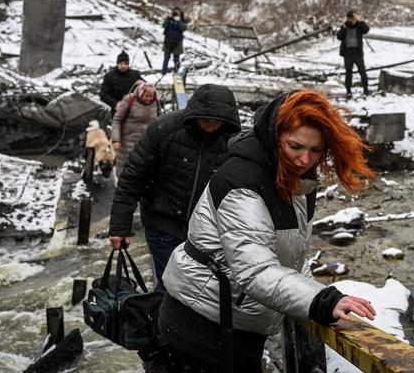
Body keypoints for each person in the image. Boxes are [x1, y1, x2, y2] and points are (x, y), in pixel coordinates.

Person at [159, 89, 377, 372]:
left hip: (236, 322)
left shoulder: (296, 181)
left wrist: (315, 295)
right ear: (275, 137)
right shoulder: (244, 183)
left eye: (315, 150)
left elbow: (291, 261)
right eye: (295, 146)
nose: (305, 159)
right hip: (203, 326)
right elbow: (257, 271)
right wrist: (320, 301)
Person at [107, 84, 241, 293]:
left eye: (217, 121)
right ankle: (161, 321)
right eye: (206, 119)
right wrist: (119, 227)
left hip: (206, 231)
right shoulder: (164, 130)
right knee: (171, 287)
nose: (211, 125)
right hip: (163, 223)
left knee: (199, 290)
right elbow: (133, 177)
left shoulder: (232, 143)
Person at [111, 82, 160, 177]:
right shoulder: (129, 99)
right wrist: (116, 139)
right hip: (128, 141)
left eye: (151, 96)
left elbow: (159, 119)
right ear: (141, 93)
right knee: (125, 169)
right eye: (146, 96)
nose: (149, 99)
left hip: (147, 142)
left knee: (143, 169)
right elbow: (117, 120)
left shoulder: (156, 101)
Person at [337, 9, 370, 98]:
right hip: (348, 54)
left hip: (357, 53)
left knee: (362, 72)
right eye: (349, 18)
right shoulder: (344, 26)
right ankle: (348, 91)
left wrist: (360, 20)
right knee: (348, 73)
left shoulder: (359, 26)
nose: (351, 20)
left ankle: (366, 89)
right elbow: (339, 37)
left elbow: (366, 30)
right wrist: (343, 28)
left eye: (353, 18)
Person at [100, 50, 142, 116]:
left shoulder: (135, 74)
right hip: (117, 110)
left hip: (134, 109)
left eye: (125, 64)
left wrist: (142, 84)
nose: (123, 66)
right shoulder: (109, 76)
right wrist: (115, 103)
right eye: (121, 64)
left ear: (128, 64)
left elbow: (147, 88)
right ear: (117, 64)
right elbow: (103, 94)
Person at [161, 7, 188, 75]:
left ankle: (177, 71)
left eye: (177, 13)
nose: (175, 14)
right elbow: (164, 26)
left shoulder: (182, 20)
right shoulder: (169, 19)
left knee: (176, 59)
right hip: (168, 41)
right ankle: (163, 72)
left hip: (177, 42)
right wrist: (168, 18)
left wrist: (178, 20)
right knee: (166, 58)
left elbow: (184, 28)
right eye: (174, 12)